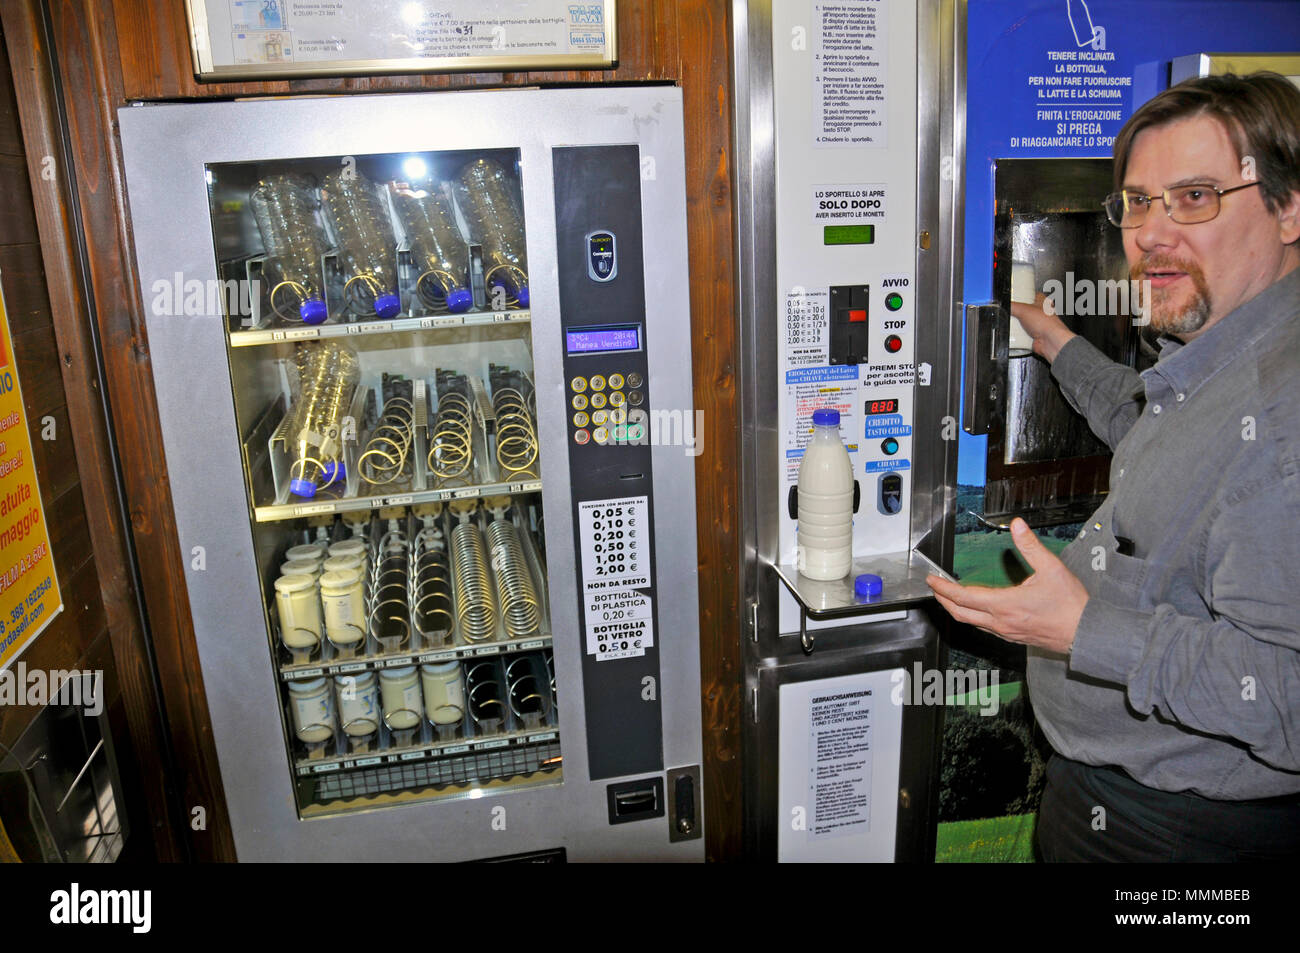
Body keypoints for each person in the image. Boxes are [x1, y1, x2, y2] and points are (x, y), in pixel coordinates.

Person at [927, 72, 1300, 861]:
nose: (1151, 234)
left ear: (1289, 205)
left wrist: (1084, 630)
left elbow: (1289, 693)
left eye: (1195, 196)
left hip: (1176, 837)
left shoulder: (1282, 411)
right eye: (1137, 201)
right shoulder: (1233, 352)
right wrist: (1051, 338)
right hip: (1118, 802)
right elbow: (1151, 422)